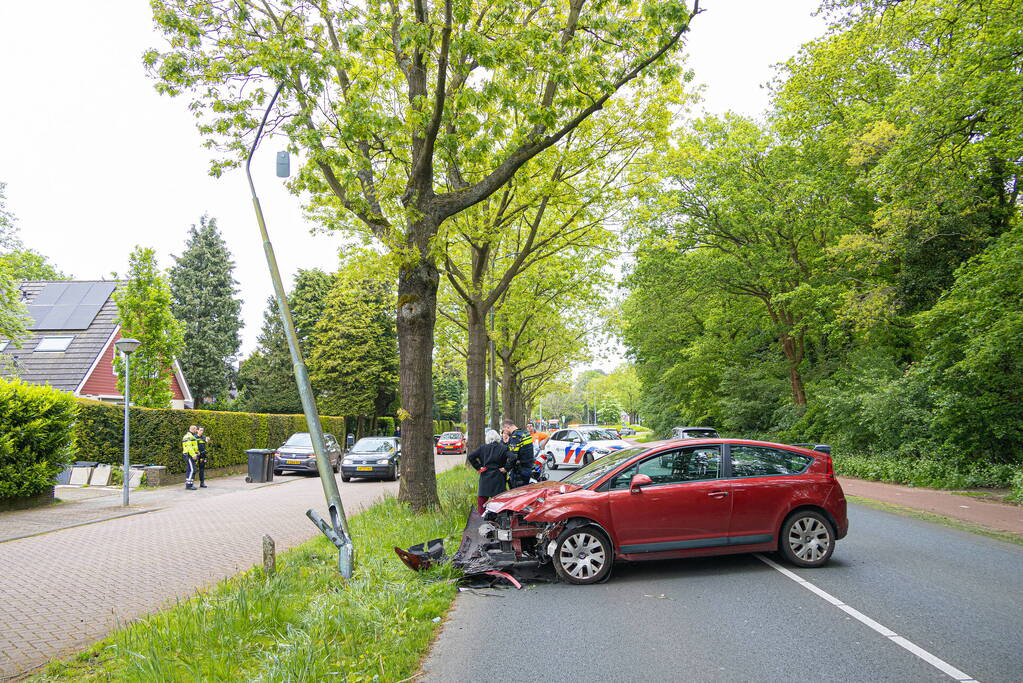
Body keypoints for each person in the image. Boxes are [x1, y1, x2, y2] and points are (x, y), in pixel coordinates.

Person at [466, 428, 510, 514]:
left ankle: (481, 522)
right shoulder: (503, 448)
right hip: (498, 478)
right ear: (498, 437)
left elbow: (471, 456)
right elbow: (513, 457)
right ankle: (499, 521)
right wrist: (506, 468)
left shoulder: (483, 448)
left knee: (481, 503)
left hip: (485, 478)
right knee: (499, 503)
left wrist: (479, 467)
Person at [503, 419, 533, 489]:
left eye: (504, 430)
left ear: (507, 427)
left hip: (519, 472)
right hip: (528, 468)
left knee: (517, 495)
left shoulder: (515, 437)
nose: (505, 433)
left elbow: (513, 456)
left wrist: (506, 468)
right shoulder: (525, 433)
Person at [181, 425, 199, 491]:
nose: (196, 431)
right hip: (189, 455)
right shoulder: (188, 437)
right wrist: (194, 455)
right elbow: (189, 447)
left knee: (190, 469)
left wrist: (197, 452)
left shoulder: (191, 436)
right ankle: (189, 486)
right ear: (193, 429)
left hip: (190, 454)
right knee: (192, 470)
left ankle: (190, 484)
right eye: (196, 429)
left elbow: (193, 446)